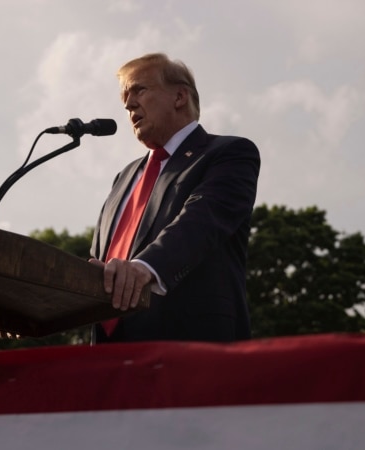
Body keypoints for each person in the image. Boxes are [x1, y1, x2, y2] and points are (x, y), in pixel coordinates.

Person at [89, 53, 260, 343]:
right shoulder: (124, 178)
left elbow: (200, 222)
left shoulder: (229, 154)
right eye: (125, 98)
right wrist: (34, 310)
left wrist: (143, 269)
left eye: (139, 90)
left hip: (190, 349)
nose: (129, 104)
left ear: (179, 96)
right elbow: (98, 264)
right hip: (108, 356)